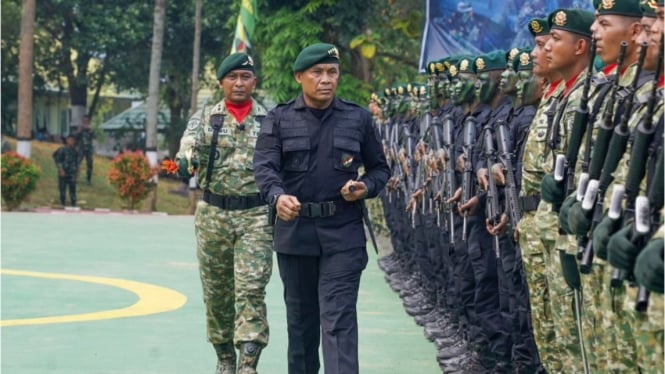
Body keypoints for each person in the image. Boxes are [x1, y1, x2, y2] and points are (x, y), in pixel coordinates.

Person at [252, 43, 390, 374]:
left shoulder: (357, 118)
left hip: (343, 232)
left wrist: (365, 187)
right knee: (301, 324)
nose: (326, 79)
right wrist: (277, 196)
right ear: (300, 76)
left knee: (339, 319)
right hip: (295, 232)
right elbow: (264, 167)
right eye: (317, 72)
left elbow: (380, 169)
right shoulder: (279, 119)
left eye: (332, 72)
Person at [174, 52, 272, 374]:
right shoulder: (204, 117)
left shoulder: (270, 119)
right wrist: (186, 160)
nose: (239, 83)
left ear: (254, 82)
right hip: (213, 214)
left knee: (251, 287)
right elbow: (187, 146)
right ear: (221, 83)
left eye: (246, 77)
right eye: (233, 77)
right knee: (217, 291)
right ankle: (225, 358)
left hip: (256, 214)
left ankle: (248, 364)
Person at [53, 135, 80, 207]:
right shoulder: (62, 150)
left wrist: (77, 172)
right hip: (64, 172)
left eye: (73, 140)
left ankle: (73, 204)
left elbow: (77, 163)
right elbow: (58, 160)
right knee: (62, 190)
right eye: (70, 140)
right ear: (67, 141)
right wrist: (61, 170)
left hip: (72, 173)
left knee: (73, 190)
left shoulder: (75, 151)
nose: (72, 142)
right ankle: (62, 203)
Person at [75, 115, 95, 184]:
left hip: (89, 149)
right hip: (81, 148)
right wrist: (79, 131)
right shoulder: (80, 129)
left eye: (86, 121)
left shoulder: (90, 129)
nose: (85, 122)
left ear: (89, 121)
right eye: (84, 121)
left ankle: (88, 179)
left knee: (90, 164)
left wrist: (91, 130)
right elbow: (75, 138)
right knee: (77, 162)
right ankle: (75, 177)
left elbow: (94, 137)